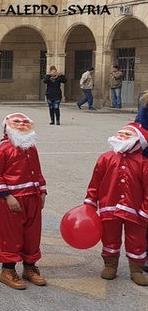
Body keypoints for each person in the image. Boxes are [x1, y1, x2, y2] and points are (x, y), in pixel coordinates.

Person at [83, 122, 148, 286]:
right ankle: (110, 265)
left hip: (135, 210)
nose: (122, 136)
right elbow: (95, 182)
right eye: (121, 133)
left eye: (128, 135)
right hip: (109, 207)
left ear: (138, 140)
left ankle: (136, 270)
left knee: (137, 239)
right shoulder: (106, 158)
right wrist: (91, 202)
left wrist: (145, 210)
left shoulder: (143, 162)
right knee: (109, 237)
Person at [0, 113, 48, 290]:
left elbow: (37, 171)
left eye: (25, 121)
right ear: (7, 126)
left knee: (32, 234)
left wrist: (43, 191)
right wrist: (7, 196)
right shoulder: (3, 149)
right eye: (16, 122)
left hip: (33, 197)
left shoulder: (31, 148)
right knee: (10, 235)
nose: (21, 124)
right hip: (13, 199)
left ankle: (29, 267)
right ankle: (7, 270)